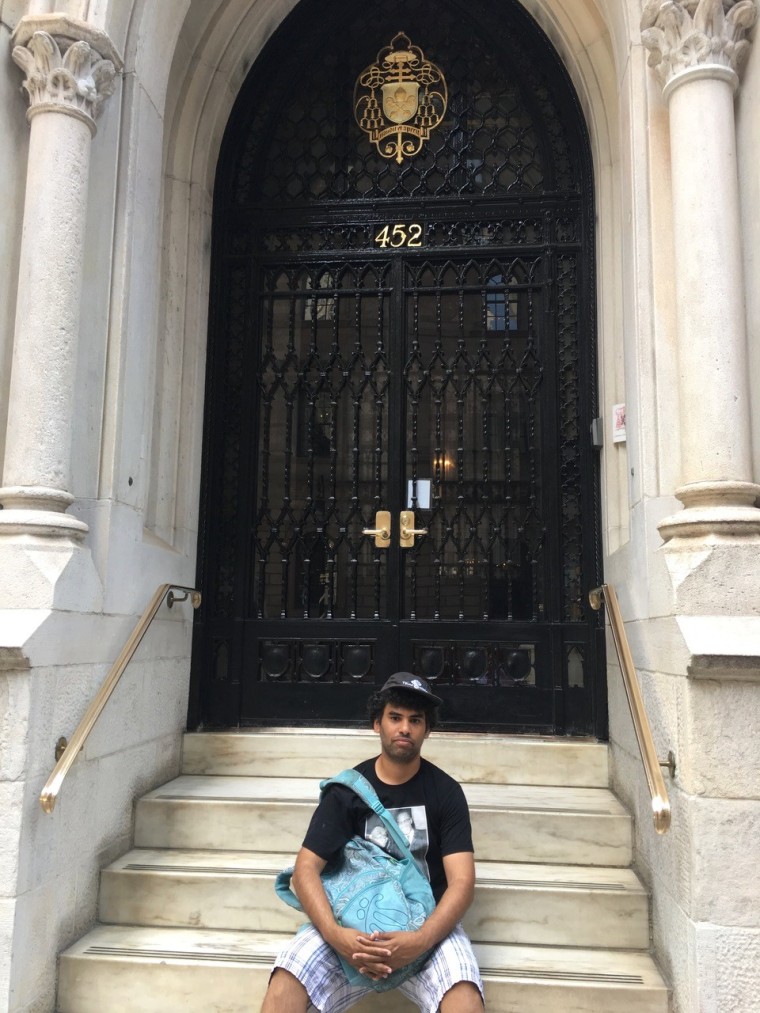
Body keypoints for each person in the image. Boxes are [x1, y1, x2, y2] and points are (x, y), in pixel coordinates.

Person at [261, 672, 484, 1013]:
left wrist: (420, 940)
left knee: (464, 996)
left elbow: (462, 883)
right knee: (286, 980)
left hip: (425, 930)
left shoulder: (446, 792)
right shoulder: (347, 791)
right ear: (377, 724)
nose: (404, 728)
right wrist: (336, 936)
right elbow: (305, 870)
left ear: (427, 730)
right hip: (350, 929)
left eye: (415, 720)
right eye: (395, 718)